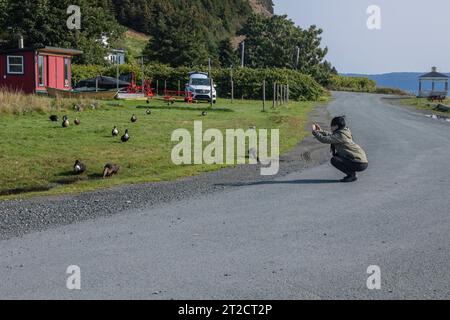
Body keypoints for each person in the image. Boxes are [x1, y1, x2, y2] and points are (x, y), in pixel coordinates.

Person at [312, 116, 368, 183]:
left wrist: (314, 132)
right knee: (337, 156)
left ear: (336, 126)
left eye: (331, 126)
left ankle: (352, 175)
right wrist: (320, 131)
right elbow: (331, 135)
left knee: (335, 160)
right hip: (360, 161)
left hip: (359, 163)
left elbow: (324, 139)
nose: (331, 127)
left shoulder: (341, 135)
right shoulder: (344, 132)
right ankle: (352, 174)